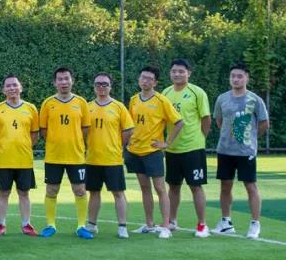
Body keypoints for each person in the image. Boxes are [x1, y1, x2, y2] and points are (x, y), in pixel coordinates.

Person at [126, 66, 184, 239]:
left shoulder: (161, 100)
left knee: (160, 188)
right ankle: (149, 224)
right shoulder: (133, 100)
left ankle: (166, 226)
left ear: (155, 82)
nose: (145, 81)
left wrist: (166, 143)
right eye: (143, 77)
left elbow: (179, 122)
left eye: (149, 79)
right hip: (135, 151)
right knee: (145, 188)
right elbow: (130, 124)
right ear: (139, 79)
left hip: (152, 151)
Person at [214, 63, 270, 239]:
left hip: (246, 152)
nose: (236, 79)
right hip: (225, 150)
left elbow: (264, 123)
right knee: (225, 186)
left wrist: (250, 138)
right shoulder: (222, 98)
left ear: (247, 78)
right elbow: (219, 121)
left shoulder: (255, 100)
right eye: (233, 76)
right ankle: (226, 222)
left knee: (250, 186)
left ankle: (255, 224)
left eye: (239, 76)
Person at [38, 67, 91, 239]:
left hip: (76, 155)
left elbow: (85, 128)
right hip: (54, 156)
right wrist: (57, 141)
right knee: (51, 190)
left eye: (66, 78)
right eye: (60, 79)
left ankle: (81, 226)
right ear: (54, 83)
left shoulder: (81, 102)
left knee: (80, 190)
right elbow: (43, 130)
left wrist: (73, 140)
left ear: (72, 81)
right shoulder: (48, 103)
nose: (63, 82)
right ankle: (50, 225)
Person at [162, 59, 212, 238]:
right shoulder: (165, 93)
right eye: (174, 71)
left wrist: (200, 138)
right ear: (170, 73)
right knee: (173, 187)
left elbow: (206, 119)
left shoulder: (197, 92)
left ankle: (202, 225)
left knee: (195, 186)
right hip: (172, 149)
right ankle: (172, 221)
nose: (177, 74)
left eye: (181, 71)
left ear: (188, 73)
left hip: (193, 149)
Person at [84, 72, 135, 238]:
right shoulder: (87, 107)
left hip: (113, 159)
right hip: (92, 158)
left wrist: (117, 144)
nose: (101, 87)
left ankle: (122, 226)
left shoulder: (118, 107)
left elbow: (129, 130)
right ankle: (92, 224)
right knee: (94, 192)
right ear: (94, 87)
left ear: (110, 86)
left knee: (118, 193)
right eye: (98, 84)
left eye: (105, 84)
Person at [0, 75, 39, 237]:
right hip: (3, 160)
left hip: (24, 160)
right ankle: (1, 225)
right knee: (3, 193)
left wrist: (24, 146)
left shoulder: (31, 108)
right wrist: (3, 147)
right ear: (3, 90)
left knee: (24, 193)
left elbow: (34, 134)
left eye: (15, 85)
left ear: (21, 88)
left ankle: (26, 224)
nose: (12, 88)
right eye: (8, 86)